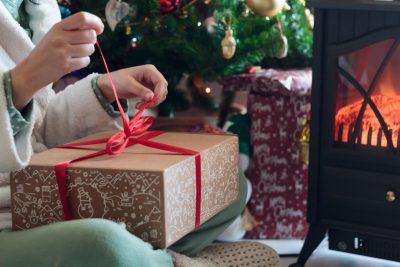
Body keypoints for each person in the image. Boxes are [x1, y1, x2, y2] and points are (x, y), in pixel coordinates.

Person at [0, 1, 279, 266]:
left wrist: (104, 90)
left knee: (225, 183)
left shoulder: (33, 6)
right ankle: (169, 261)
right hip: (8, 217)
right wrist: (22, 81)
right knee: (103, 243)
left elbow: (37, 126)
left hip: (37, 195)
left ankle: (137, 259)